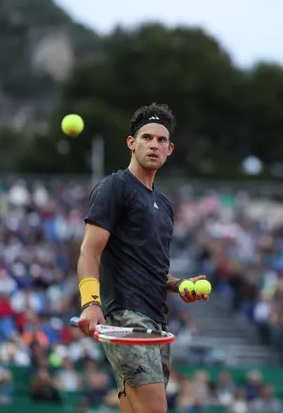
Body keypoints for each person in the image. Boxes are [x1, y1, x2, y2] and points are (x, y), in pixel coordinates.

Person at [76, 103, 209, 413]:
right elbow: (89, 251)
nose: (154, 144)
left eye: (161, 140)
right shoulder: (115, 188)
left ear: (170, 149)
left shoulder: (165, 205)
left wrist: (179, 286)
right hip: (126, 317)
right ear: (131, 143)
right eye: (147, 137)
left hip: (155, 321)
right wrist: (90, 302)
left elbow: (151, 270)